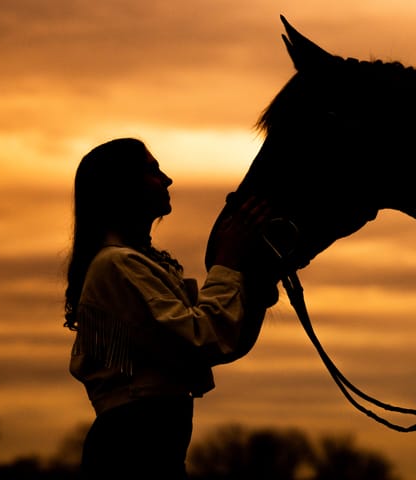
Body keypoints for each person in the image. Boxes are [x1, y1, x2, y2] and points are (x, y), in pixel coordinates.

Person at [63, 137, 278, 479]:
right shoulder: (117, 266)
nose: (167, 179)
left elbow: (223, 342)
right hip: (134, 450)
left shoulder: (133, 264)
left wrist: (252, 282)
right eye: (152, 171)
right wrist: (227, 265)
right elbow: (202, 340)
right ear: (122, 186)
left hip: (149, 443)